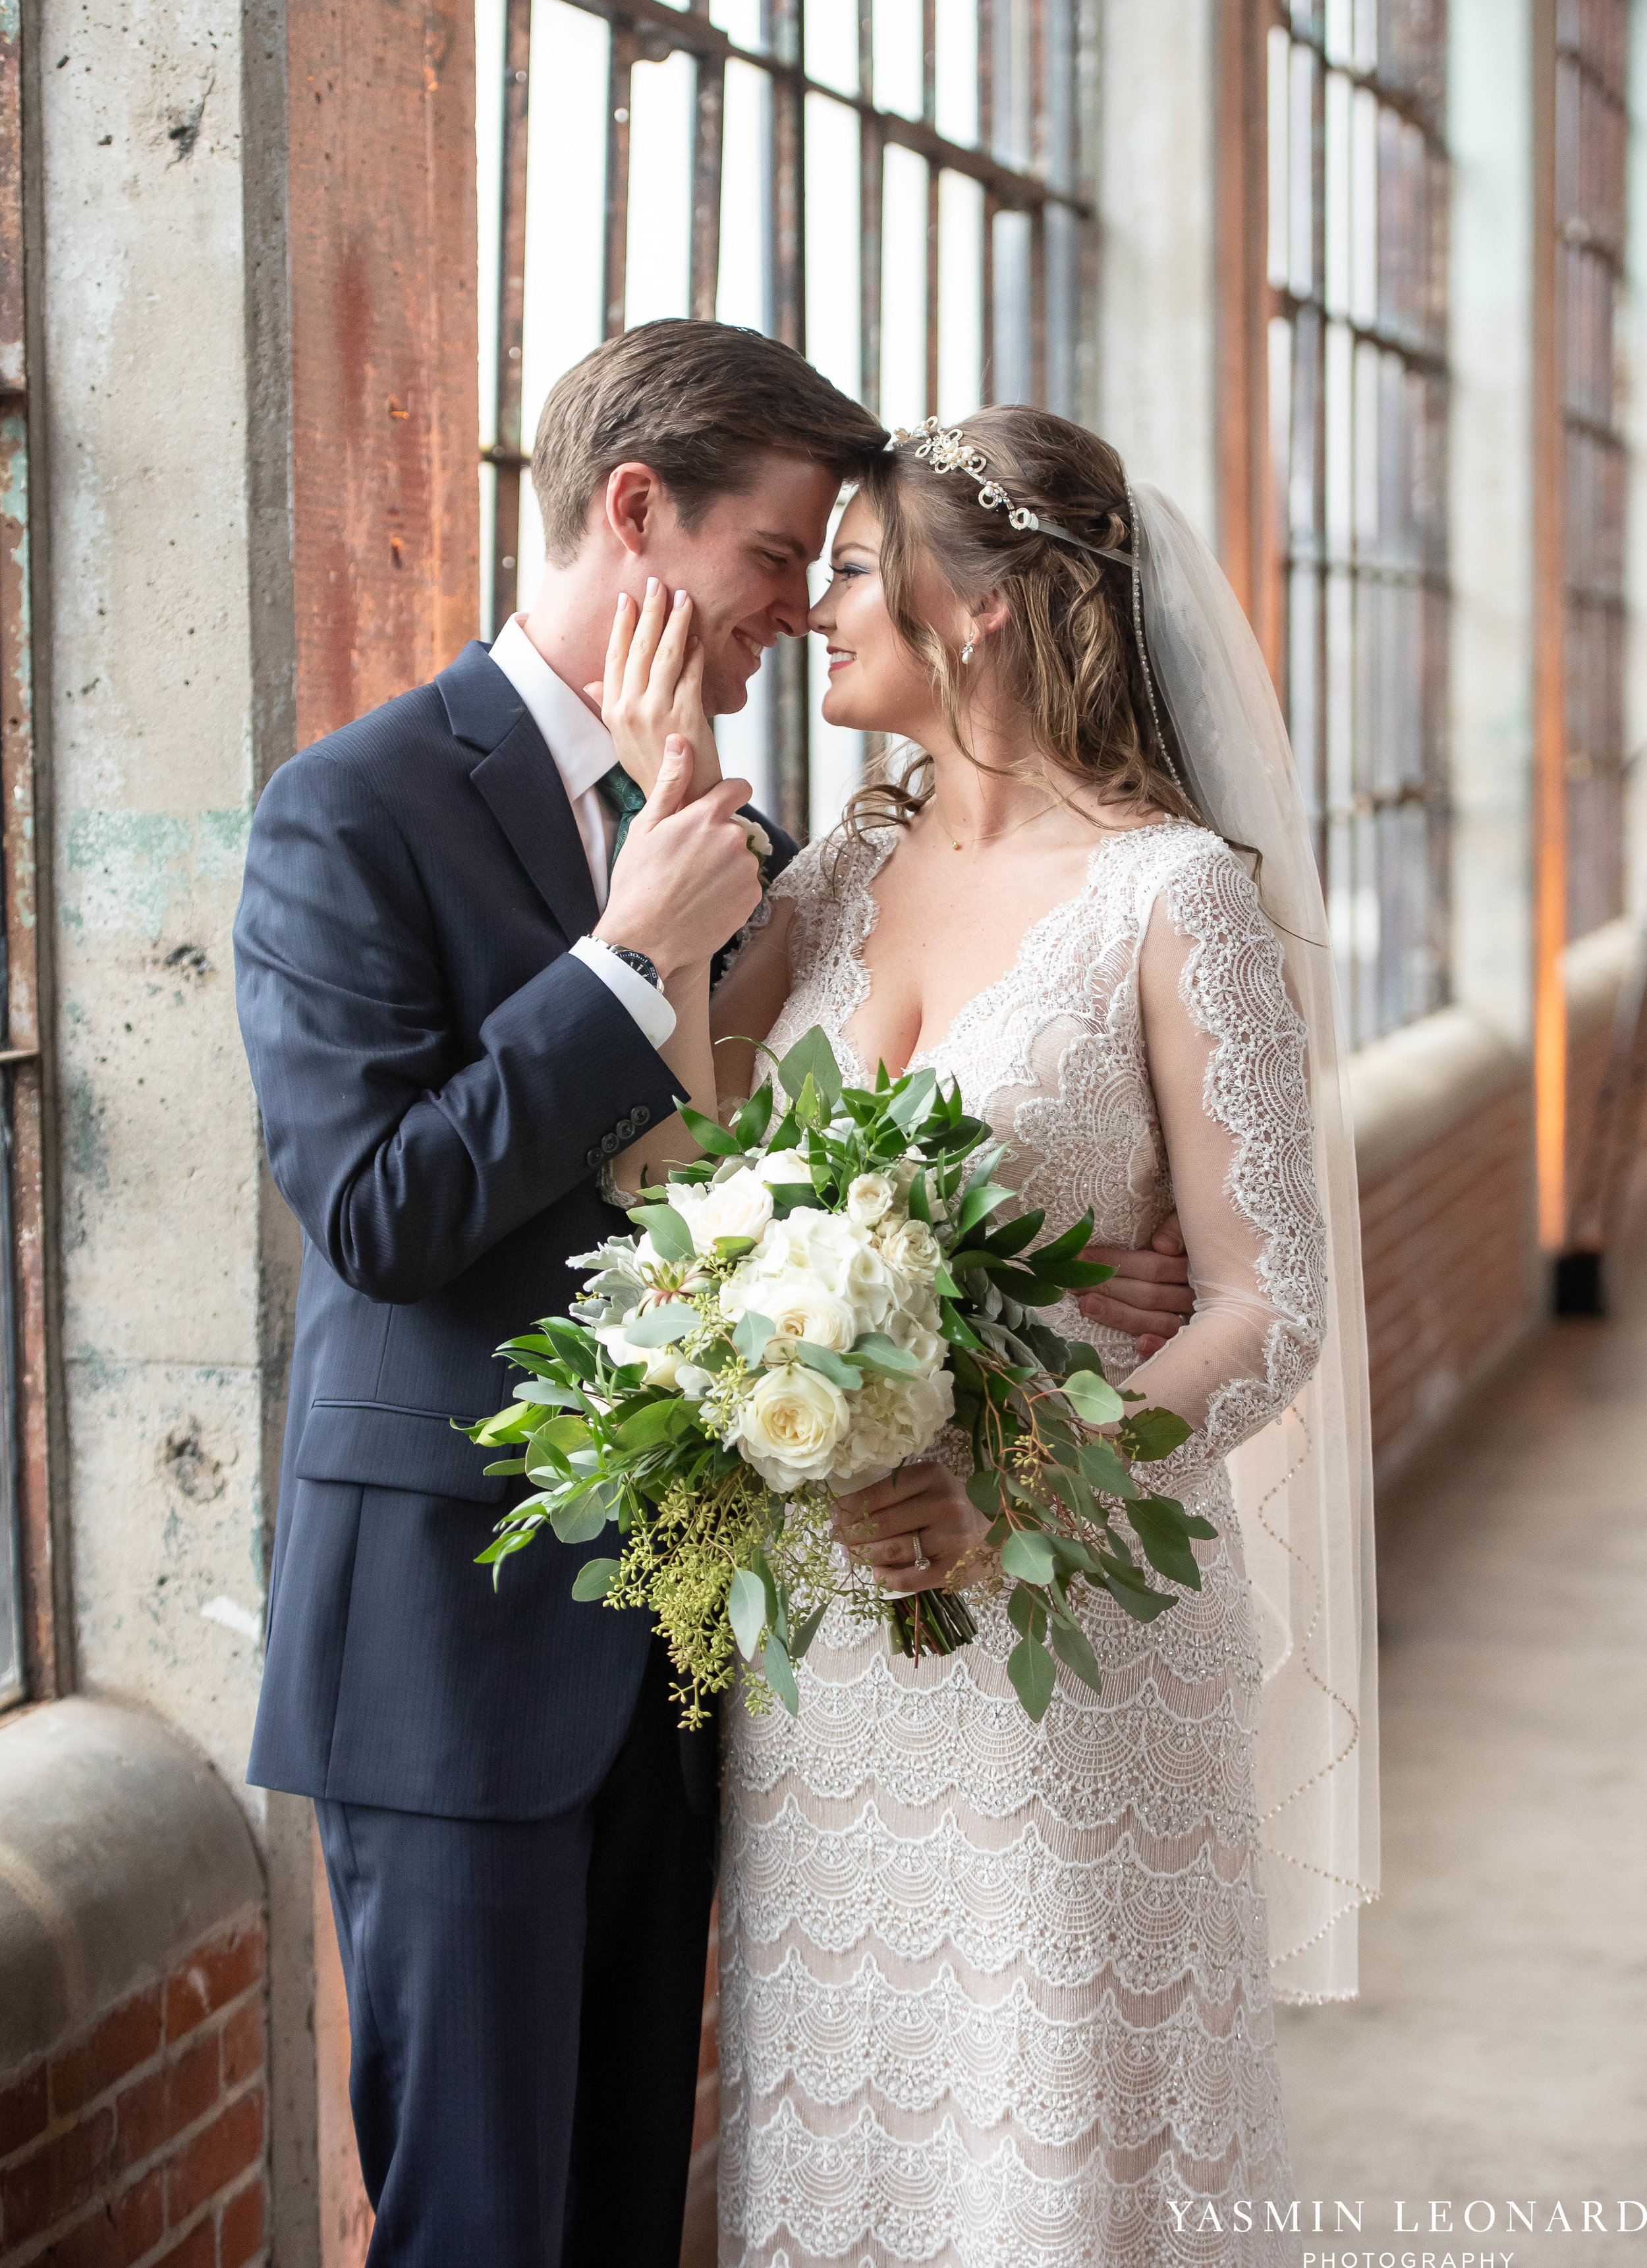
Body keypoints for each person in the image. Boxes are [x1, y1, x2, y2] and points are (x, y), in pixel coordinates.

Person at [596, 405, 1378, 2268]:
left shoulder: (1171, 894)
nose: (816, 609)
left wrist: (1012, 1451)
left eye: (854, 565)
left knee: (1046, 2156)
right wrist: (661, 781)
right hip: (835, 1655)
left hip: (1067, 1638)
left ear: (992, 609)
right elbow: (676, 1180)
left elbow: (1270, 1310)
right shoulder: (830, 881)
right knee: (849, 2143)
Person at [234, 319, 888, 2268]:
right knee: (475, 2223)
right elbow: (375, 1209)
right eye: (777, 553)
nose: (796, 605)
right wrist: (623, 965)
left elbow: (764, 1195)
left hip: (674, 1642)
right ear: (636, 514)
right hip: (452, 1641)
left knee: (617, 2207)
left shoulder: (735, 837)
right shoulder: (348, 811)